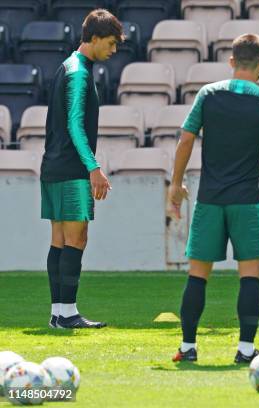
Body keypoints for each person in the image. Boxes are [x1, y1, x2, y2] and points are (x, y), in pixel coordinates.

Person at [168, 34, 259, 363]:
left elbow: (185, 141)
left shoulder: (208, 94)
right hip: (247, 200)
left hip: (209, 200)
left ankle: (188, 348)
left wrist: (175, 185)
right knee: (250, 275)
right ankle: (245, 350)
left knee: (197, 275)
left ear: (232, 62)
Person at [41, 9, 123, 329]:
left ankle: (59, 314)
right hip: (71, 169)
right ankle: (68, 313)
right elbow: (75, 125)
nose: (113, 51)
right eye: (112, 43)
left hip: (53, 166)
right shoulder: (80, 73)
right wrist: (94, 168)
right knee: (76, 238)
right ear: (95, 38)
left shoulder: (68, 66)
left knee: (60, 240)